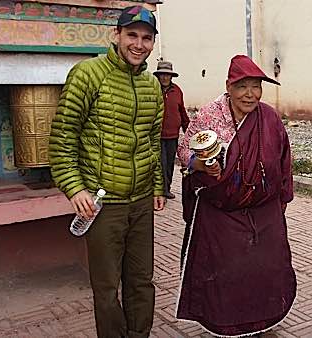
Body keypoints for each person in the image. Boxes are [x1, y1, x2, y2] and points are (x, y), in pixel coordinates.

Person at [48, 5, 165, 337]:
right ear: (116, 35)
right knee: (106, 287)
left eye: (146, 38)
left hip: (141, 202)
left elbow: (152, 142)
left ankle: (139, 334)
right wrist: (75, 187)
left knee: (141, 281)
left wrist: (157, 186)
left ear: (153, 42)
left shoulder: (152, 86)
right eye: (132, 35)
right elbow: (63, 137)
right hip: (102, 203)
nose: (138, 44)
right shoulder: (88, 74)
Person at [175, 55, 296, 337]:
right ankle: (226, 325)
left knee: (264, 272)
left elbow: (284, 161)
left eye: (256, 86)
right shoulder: (211, 115)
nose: (250, 94)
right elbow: (184, 152)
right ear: (229, 86)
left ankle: (261, 323)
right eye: (243, 86)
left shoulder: (269, 118)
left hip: (263, 213)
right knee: (227, 275)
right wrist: (200, 164)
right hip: (221, 214)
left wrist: (283, 200)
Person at [153, 60, 189, 200]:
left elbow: (182, 112)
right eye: (162, 74)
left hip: (172, 135)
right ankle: (160, 191)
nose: (164, 77)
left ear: (171, 76)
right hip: (157, 135)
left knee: (169, 165)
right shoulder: (153, 89)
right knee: (160, 164)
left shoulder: (177, 91)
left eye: (167, 75)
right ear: (158, 75)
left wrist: (188, 131)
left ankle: (166, 189)